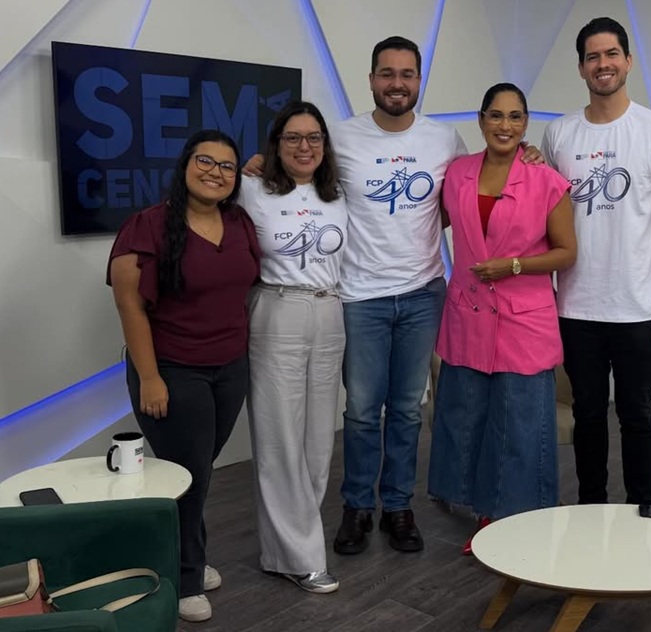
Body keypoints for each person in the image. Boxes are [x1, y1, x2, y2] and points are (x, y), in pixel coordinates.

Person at [245, 36, 541, 555]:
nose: (397, 83)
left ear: (419, 80)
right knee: (362, 410)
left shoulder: (443, 140)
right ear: (372, 80)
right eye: (387, 73)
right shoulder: (341, 137)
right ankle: (358, 506)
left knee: (406, 409)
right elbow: (299, 165)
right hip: (359, 296)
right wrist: (257, 162)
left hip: (424, 293)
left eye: (407, 74)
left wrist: (526, 151)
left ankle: (398, 506)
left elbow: (476, 184)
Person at [541, 17, 651, 506]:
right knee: (587, 415)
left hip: (640, 308)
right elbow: (544, 215)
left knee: (637, 417)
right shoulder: (559, 134)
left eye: (611, 54)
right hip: (576, 307)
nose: (602, 64)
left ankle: (641, 510)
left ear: (628, 61)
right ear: (581, 68)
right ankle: (591, 510)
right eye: (593, 56)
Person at [107, 130, 260, 623]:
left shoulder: (239, 222)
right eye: (205, 161)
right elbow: (129, 305)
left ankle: (180, 554)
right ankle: (185, 578)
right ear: (185, 165)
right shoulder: (147, 226)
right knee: (189, 475)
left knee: (197, 470)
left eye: (227, 166)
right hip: (173, 369)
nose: (216, 172)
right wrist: (150, 377)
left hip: (230, 366)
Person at [428, 83, 576, 554]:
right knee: (467, 415)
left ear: (526, 124)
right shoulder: (457, 173)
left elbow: (566, 252)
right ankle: (476, 503)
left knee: (518, 423)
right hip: (468, 314)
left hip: (523, 320)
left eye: (515, 117)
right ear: (481, 120)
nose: (505, 125)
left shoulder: (546, 181)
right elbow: (425, 220)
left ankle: (510, 519)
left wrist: (513, 266)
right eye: (496, 115)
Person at [239, 101, 348, 593]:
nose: (305, 146)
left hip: (330, 311)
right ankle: (300, 556)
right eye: (293, 137)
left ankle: (288, 546)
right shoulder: (251, 189)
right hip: (277, 308)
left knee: (318, 441)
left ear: (325, 145)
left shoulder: (338, 194)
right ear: (276, 144)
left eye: (314, 137)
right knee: (279, 436)